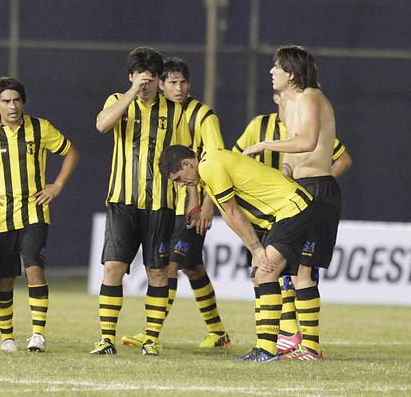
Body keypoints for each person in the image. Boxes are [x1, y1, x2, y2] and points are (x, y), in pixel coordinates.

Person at [0, 77, 79, 353]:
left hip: (34, 212)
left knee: (35, 268)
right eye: (6, 101)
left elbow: (71, 153)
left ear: (24, 102)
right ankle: (7, 337)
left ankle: (38, 335)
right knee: (5, 279)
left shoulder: (40, 128)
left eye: (17, 100)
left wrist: (56, 186)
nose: (12, 106)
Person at [160, 145, 315, 362]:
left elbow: (233, 211)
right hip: (283, 213)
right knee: (258, 275)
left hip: (293, 208)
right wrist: (254, 248)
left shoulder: (209, 166)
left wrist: (257, 249)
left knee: (265, 273)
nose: (180, 184)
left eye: (178, 178)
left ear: (187, 164)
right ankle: (264, 346)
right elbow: (230, 216)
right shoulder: (207, 166)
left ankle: (269, 350)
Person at [120, 57, 231, 349]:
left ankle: (150, 332)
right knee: (192, 267)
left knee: (169, 266)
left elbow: (216, 160)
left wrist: (208, 204)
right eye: (172, 82)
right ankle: (218, 332)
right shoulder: (155, 113)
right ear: (159, 83)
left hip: (191, 207)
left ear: (190, 83)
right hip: (163, 205)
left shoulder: (204, 116)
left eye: (183, 81)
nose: (178, 88)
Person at [233, 89, 352, 355]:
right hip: (284, 200)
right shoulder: (262, 125)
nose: (273, 74)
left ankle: (299, 343)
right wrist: (285, 177)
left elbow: (324, 150)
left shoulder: (310, 110)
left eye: (278, 69)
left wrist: (266, 145)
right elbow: (281, 158)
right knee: (278, 271)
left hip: (311, 193)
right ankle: (290, 337)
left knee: (293, 272)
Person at [90, 47, 191, 357]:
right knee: (113, 268)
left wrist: (193, 197)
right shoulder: (117, 102)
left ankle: (152, 338)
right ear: (131, 77)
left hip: (161, 204)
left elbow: (186, 157)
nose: (145, 84)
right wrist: (131, 93)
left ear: (158, 79)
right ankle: (107, 338)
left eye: (150, 79)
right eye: (139, 78)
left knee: (158, 272)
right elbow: (102, 125)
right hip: (122, 202)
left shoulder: (174, 112)